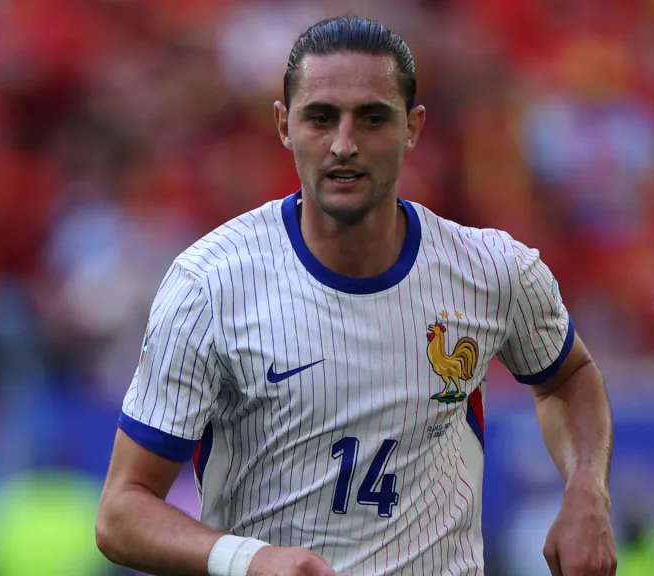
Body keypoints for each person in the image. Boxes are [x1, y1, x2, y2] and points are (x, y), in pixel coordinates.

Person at [95, 15, 617, 576]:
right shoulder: (210, 286)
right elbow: (121, 513)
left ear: (413, 127)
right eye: (321, 118)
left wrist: (587, 488)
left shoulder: (493, 271)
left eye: (372, 119)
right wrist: (250, 560)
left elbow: (567, 378)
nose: (344, 145)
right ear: (283, 125)